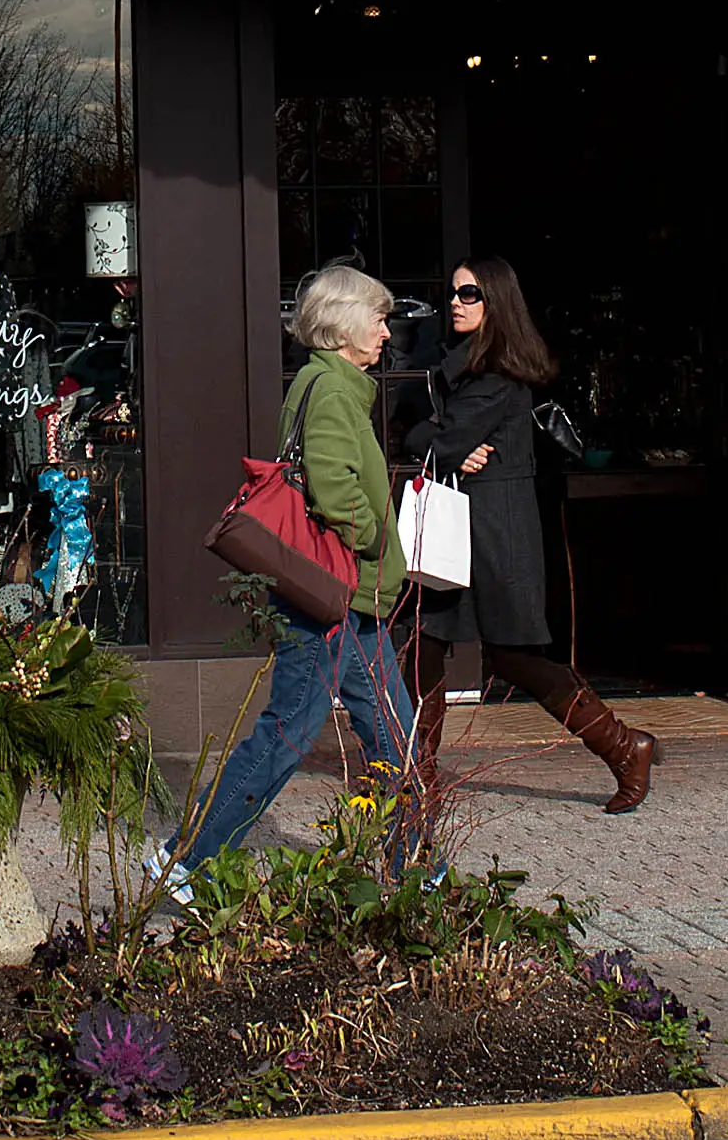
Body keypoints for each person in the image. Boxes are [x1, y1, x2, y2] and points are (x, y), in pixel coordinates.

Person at [175, 264, 417, 871]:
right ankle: (192, 861)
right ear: (344, 325)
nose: (387, 334)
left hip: (347, 602)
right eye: (380, 319)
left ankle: (415, 864)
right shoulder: (333, 390)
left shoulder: (323, 383)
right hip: (332, 598)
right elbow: (335, 492)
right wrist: (376, 540)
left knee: (392, 732)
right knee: (285, 736)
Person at [404, 256, 656, 814]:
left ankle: (623, 747)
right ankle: (417, 780)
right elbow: (429, 432)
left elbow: (434, 435)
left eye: (468, 294)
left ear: (496, 303)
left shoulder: (497, 376)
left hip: (497, 534)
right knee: (422, 643)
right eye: (453, 293)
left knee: (514, 658)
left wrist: (438, 439)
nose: (455, 302)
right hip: (464, 528)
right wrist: (440, 440)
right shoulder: (467, 368)